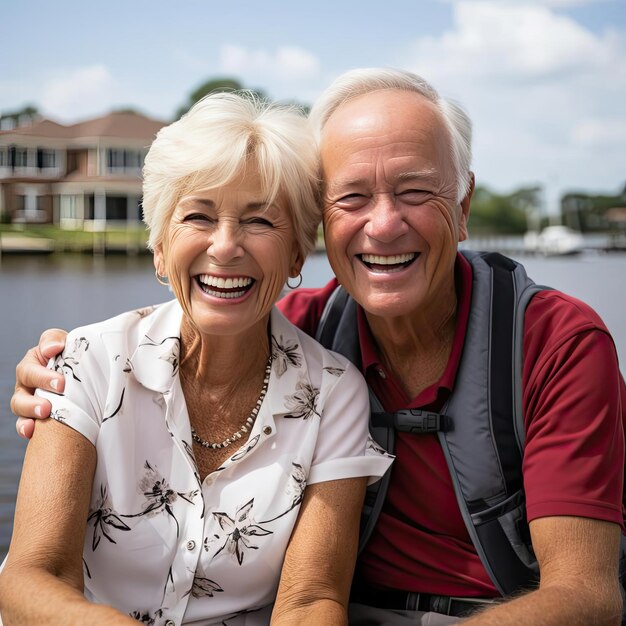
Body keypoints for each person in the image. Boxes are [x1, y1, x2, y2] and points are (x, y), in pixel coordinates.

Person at [10, 68, 626, 625]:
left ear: (462, 206)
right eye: (353, 197)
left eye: (415, 192)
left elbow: (585, 596)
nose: (383, 225)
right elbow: (32, 576)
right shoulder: (114, 358)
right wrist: (58, 374)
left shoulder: (550, 345)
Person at [0, 92, 393, 626]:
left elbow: (311, 601)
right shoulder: (87, 362)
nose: (226, 247)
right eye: (198, 216)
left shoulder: (333, 392)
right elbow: (31, 580)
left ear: (298, 251)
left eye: (259, 222)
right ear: (160, 246)